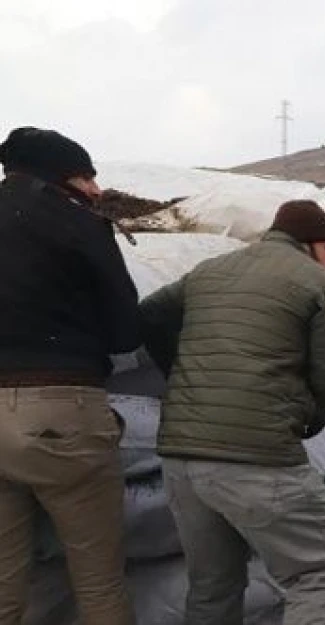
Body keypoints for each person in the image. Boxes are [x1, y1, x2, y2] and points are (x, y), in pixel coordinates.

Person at [140, 200, 325, 624]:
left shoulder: (209, 271)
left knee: (212, 585)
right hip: (257, 456)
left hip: (183, 460)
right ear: (308, 244)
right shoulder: (317, 283)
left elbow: (147, 316)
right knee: (318, 571)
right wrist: (310, 422)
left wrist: (181, 374)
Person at [0, 127, 138, 625]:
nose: (96, 189)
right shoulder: (76, 221)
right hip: (61, 411)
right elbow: (127, 332)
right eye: (85, 176)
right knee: (99, 581)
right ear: (60, 178)